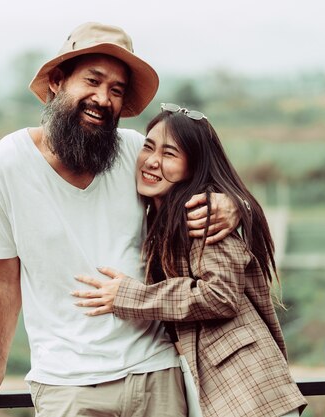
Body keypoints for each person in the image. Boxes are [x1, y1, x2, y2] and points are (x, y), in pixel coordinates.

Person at [0, 23, 240, 416]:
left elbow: (198, 186)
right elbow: (2, 277)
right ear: (57, 82)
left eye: (116, 90)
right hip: (67, 384)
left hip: (156, 373)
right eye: (93, 81)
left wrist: (233, 206)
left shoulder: (136, 153)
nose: (103, 98)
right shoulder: (1, 168)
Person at [72, 103, 308, 416]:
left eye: (169, 154)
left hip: (246, 388)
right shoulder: (163, 217)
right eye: (149, 147)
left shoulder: (200, 214)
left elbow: (219, 296)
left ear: (192, 167)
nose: (153, 162)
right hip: (213, 388)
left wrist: (132, 296)